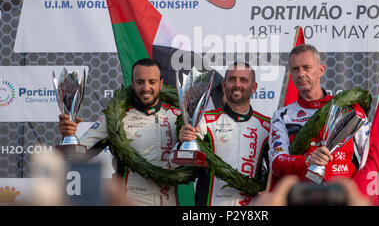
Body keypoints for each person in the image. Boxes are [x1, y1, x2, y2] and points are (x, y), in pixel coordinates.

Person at [58, 58, 181, 206]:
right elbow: (78, 156)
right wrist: (68, 136)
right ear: (133, 83)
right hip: (129, 201)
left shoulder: (178, 117)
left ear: (161, 84)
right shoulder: (115, 117)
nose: (146, 87)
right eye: (140, 81)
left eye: (152, 82)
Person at [269, 44, 370, 187]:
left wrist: (360, 190)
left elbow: (370, 154)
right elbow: (277, 162)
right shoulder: (282, 116)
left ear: (321, 70)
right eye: (295, 69)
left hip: (344, 194)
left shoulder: (349, 107)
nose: (301, 74)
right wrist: (307, 161)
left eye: (306, 67)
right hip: (304, 196)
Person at [178, 62, 271, 206]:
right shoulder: (204, 120)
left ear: (254, 88)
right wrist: (183, 140)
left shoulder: (267, 126)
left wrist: (271, 191)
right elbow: (184, 162)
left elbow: (276, 171)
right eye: (232, 79)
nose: (237, 84)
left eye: (243, 80)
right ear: (223, 85)